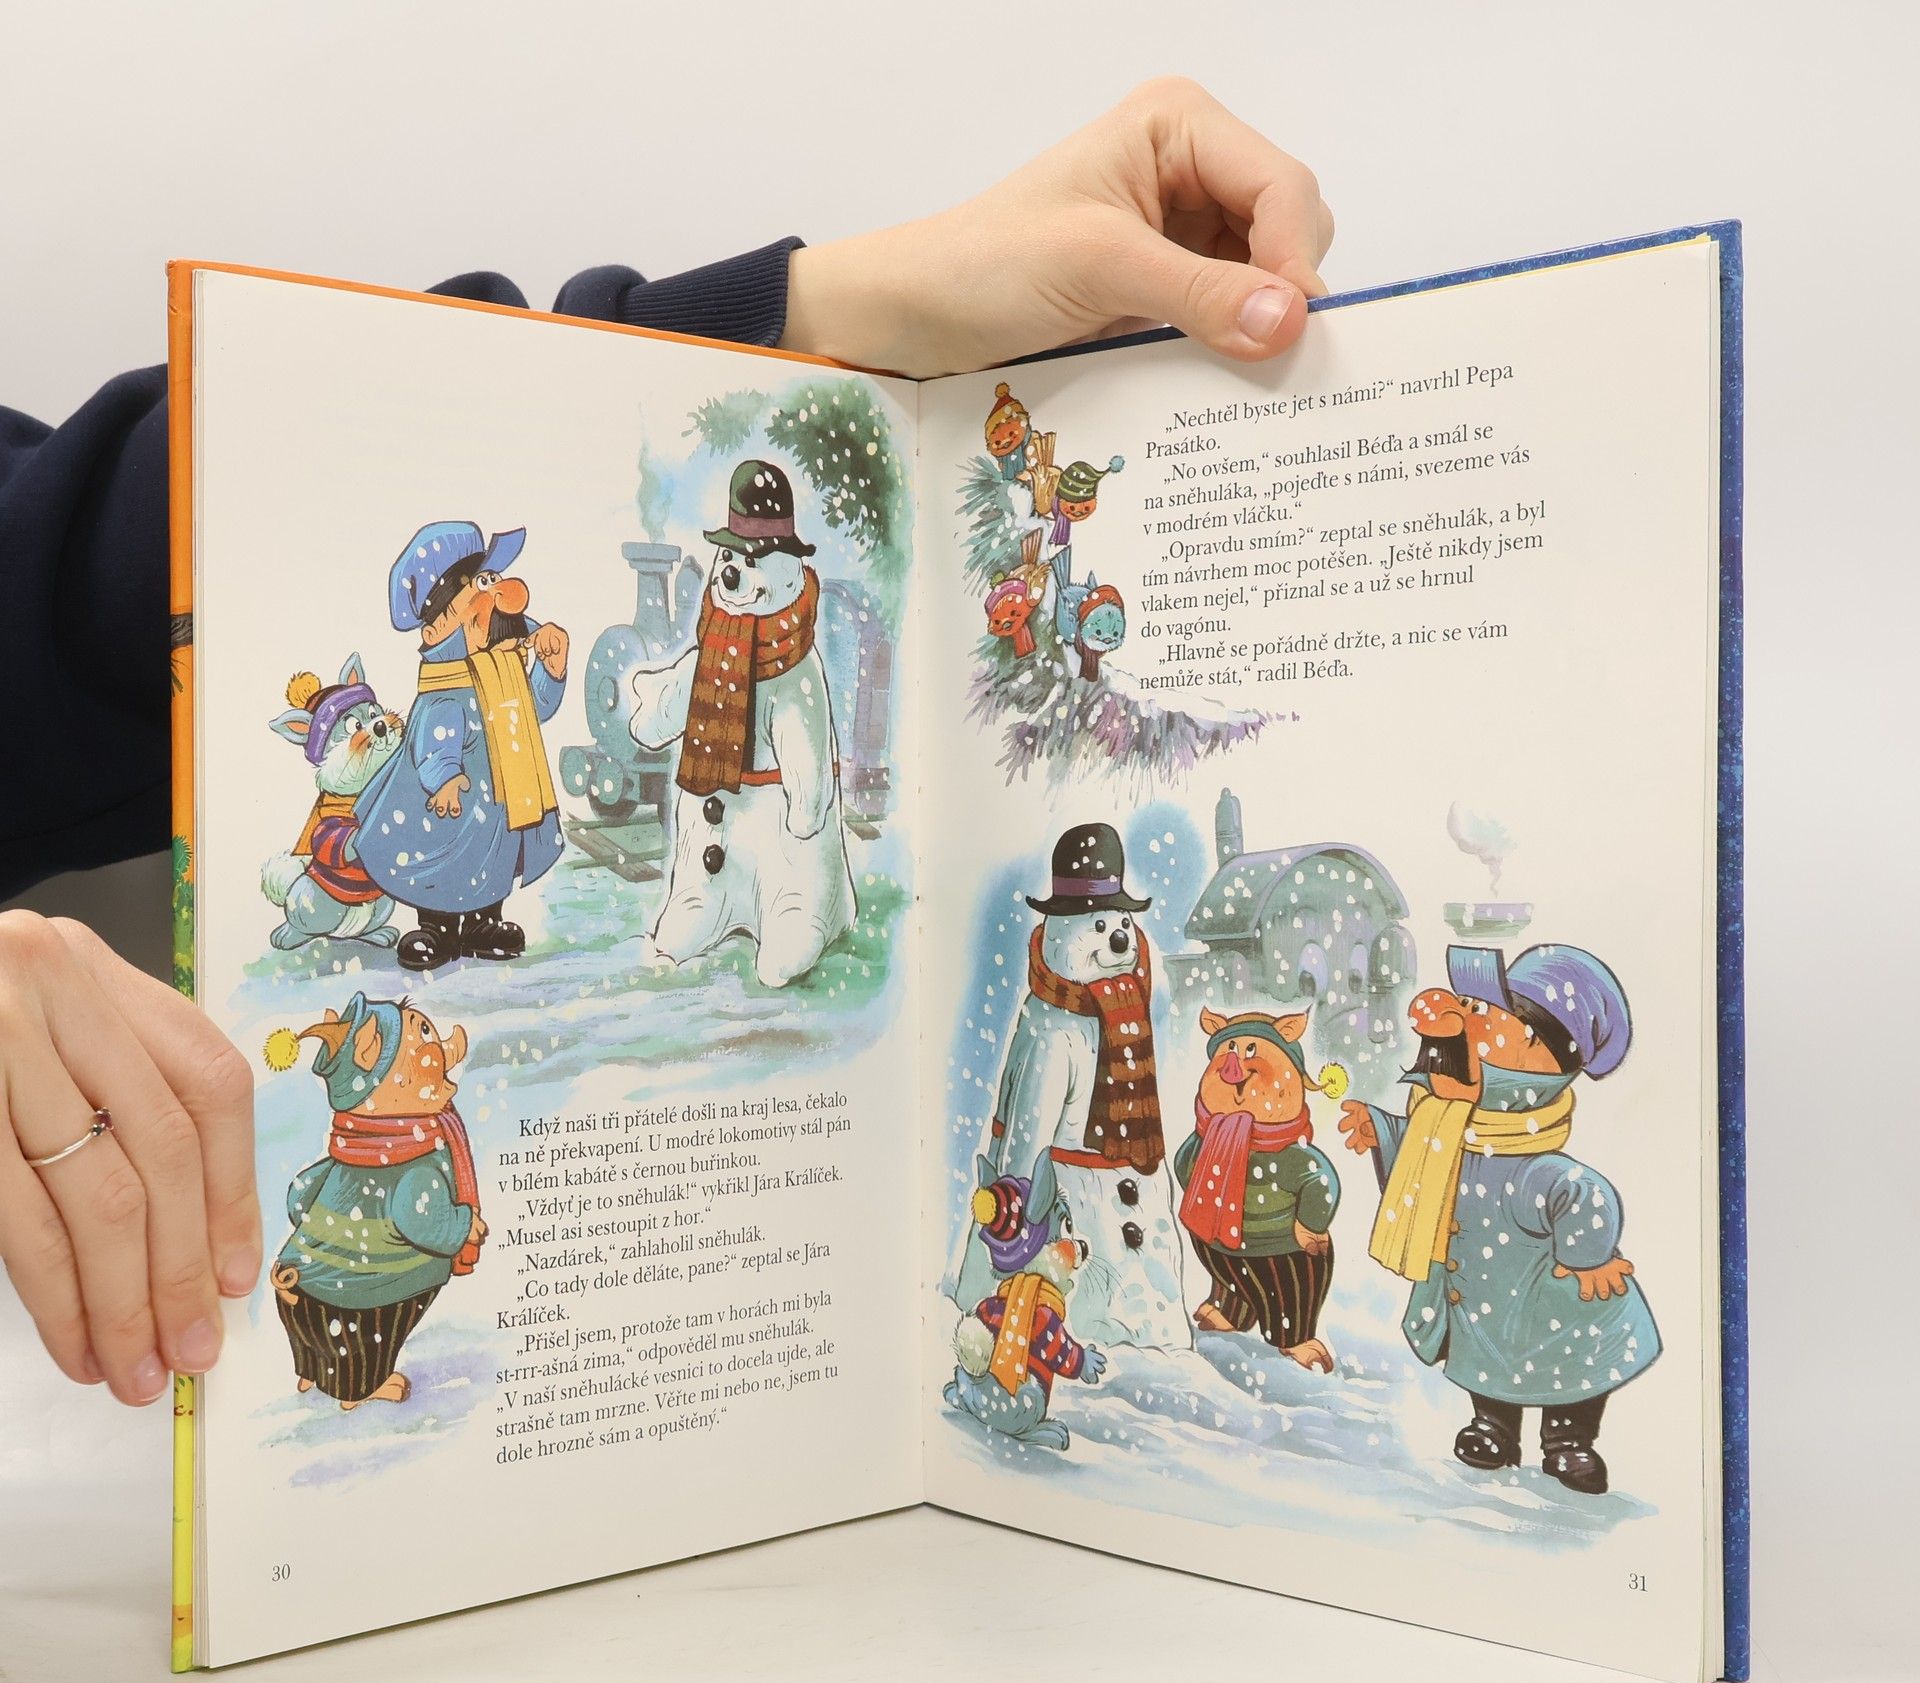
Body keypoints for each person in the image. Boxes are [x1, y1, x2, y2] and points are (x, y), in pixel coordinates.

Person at [0, 78, 1332, 1407]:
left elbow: (66, 562)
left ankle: (784, 936)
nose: (744, 581)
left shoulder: (777, 644)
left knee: (774, 870)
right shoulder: (676, 630)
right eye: (735, 563)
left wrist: (818, 309)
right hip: (694, 802)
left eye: (759, 563)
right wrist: (646, 703)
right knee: (678, 869)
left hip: (780, 805)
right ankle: (676, 918)